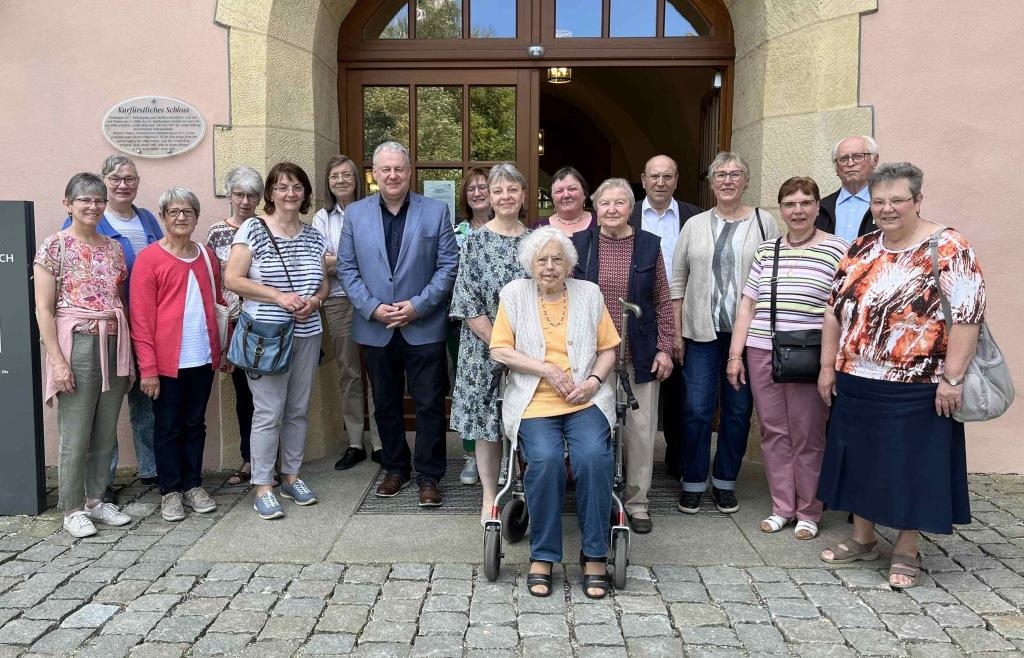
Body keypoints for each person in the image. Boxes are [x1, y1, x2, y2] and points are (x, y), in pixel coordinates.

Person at [817, 162, 986, 589]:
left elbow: (967, 318)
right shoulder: (861, 248)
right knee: (860, 461)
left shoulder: (949, 247)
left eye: (897, 200)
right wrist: (826, 366)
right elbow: (833, 312)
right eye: (879, 201)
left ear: (918, 201)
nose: (887, 209)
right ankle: (863, 539)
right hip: (856, 377)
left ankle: (907, 549)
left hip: (918, 382)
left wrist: (952, 378)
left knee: (911, 466)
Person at [491, 227, 620, 599]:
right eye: (542, 259)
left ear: (569, 264)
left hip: (584, 398)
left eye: (557, 259)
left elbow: (609, 348)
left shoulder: (589, 294)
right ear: (530, 264)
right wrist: (546, 369)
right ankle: (543, 555)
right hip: (535, 399)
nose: (549, 266)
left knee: (594, 456)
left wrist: (594, 381)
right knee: (545, 459)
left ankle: (594, 552)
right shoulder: (515, 294)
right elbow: (500, 350)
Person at [725, 177, 848, 540]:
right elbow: (748, 304)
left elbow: (841, 308)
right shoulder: (768, 250)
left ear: (816, 208)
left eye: (805, 202)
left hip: (809, 353)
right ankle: (782, 506)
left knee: (808, 433)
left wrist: (832, 362)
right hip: (763, 349)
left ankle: (809, 510)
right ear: (781, 209)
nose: (798, 210)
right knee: (773, 431)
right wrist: (736, 355)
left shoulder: (837, 249)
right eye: (790, 204)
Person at [338, 141, 459, 507]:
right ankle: (394, 468)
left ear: (410, 172)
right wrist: (373, 308)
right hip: (376, 327)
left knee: (428, 404)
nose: (393, 175)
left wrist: (418, 306)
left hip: (422, 325)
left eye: (399, 169)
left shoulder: (435, 211)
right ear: (374, 174)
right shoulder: (356, 214)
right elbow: (346, 268)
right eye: (385, 169)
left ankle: (429, 475)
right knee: (386, 404)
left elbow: (448, 265)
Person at [670, 152, 781, 515]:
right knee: (697, 409)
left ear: (746, 181)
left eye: (736, 174)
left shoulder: (766, 223)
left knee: (737, 411)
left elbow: (774, 276)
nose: (728, 180)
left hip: (749, 336)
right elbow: (678, 281)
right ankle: (693, 481)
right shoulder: (695, 225)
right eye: (721, 175)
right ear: (711, 182)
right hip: (701, 332)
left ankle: (725, 481)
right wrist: (675, 331)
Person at [225, 162, 329, 520]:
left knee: (298, 410)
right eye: (282, 187)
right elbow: (233, 279)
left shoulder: (315, 235)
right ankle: (263, 485)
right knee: (268, 411)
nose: (290, 193)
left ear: (304, 194)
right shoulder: (253, 229)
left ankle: (291, 476)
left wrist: (314, 301)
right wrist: (278, 297)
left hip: (306, 333)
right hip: (266, 337)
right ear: (270, 193)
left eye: (297, 187)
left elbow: (323, 283)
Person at [573, 178, 674, 535]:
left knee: (640, 431)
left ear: (631, 208)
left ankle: (637, 502)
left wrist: (665, 347)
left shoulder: (648, 246)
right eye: (605, 203)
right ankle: (598, 496)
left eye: (620, 203)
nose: (612, 209)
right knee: (595, 429)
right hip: (591, 356)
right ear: (595, 208)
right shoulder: (579, 245)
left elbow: (662, 299)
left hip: (639, 351)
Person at [36, 172, 133, 538]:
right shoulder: (54, 247)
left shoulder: (113, 248)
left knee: (106, 430)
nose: (92, 206)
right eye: (84, 200)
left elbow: (116, 298)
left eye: (98, 200)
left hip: (112, 340)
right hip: (76, 342)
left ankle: (96, 499)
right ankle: (72, 507)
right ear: (68, 204)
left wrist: (128, 351)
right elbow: (43, 309)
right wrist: (57, 360)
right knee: (76, 431)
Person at [64, 155, 162, 502]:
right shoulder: (84, 222)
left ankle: (151, 469)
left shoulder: (148, 218)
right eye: (116, 178)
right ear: (105, 181)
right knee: (102, 408)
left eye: (131, 178)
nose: (124, 184)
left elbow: (163, 258)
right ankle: (100, 485)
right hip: (103, 326)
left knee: (145, 398)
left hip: (143, 320)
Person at [130, 188, 226, 522]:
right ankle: (170, 491)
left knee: (194, 424)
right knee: (167, 427)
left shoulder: (205, 255)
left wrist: (221, 350)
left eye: (188, 211)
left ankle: (193, 484)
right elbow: (141, 320)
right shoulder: (149, 259)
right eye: (173, 212)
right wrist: (149, 369)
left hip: (202, 358)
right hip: (167, 363)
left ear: (197, 217)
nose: (181, 218)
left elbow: (219, 302)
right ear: (163, 217)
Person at [449, 163, 530, 524]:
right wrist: (503, 344)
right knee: (487, 425)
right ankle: (489, 498)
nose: (505, 197)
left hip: (530, 352)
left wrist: (522, 349)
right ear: (491, 198)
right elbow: (467, 302)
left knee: (526, 420)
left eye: (512, 190)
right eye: (498, 191)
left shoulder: (536, 241)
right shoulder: (476, 241)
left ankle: (520, 489)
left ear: (523, 196)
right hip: (484, 350)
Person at [629, 155, 703, 479]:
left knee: (680, 395)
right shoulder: (627, 215)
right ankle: (630, 466)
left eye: (667, 176)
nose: (661, 182)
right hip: (637, 312)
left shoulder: (694, 218)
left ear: (676, 180)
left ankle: (678, 463)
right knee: (636, 393)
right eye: (654, 176)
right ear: (643, 180)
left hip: (683, 310)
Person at [312, 155, 383, 472]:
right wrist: (353, 261)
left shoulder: (373, 211)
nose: (340, 180)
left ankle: (382, 443)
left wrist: (339, 261)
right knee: (349, 373)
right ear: (328, 183)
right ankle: (356, 442)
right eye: (334, 176)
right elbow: (319, 263)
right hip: (339, 301)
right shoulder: (321, 218)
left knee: (379, 373)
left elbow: (379, 258)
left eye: (346, 174)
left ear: (357, 179)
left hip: (372, 300)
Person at [206, 166, 261, 486]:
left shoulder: (266, 227)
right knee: (244, 395)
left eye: (252, 195)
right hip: (234, 321)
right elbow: (212, 281)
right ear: (230, 196)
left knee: (269, 394)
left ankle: (270, 459)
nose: (245, 201)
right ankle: (248, 460)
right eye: (239, 194)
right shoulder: (217, 232)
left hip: (263, 321)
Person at [451, 167, 492, 485]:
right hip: (464, 324)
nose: (477, 193)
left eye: (483, 187)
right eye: (471, 189)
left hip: (506, 324)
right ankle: (470, 457)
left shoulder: (513, 231)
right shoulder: (456, 232)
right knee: (470, 390)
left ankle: (502, 455)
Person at [815, 135, 880, 242]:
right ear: (836, 167)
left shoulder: (888, 205)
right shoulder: (820, 208)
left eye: (858, 156)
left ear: (875, 160)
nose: (850, 163)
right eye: (843, 159)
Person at [537, 167, 594, 235]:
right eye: (559, 191)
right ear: (552, 198)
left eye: (572, 189)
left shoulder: (600, 223)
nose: (566, 195)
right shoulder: (538, 229)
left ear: (584, 193)